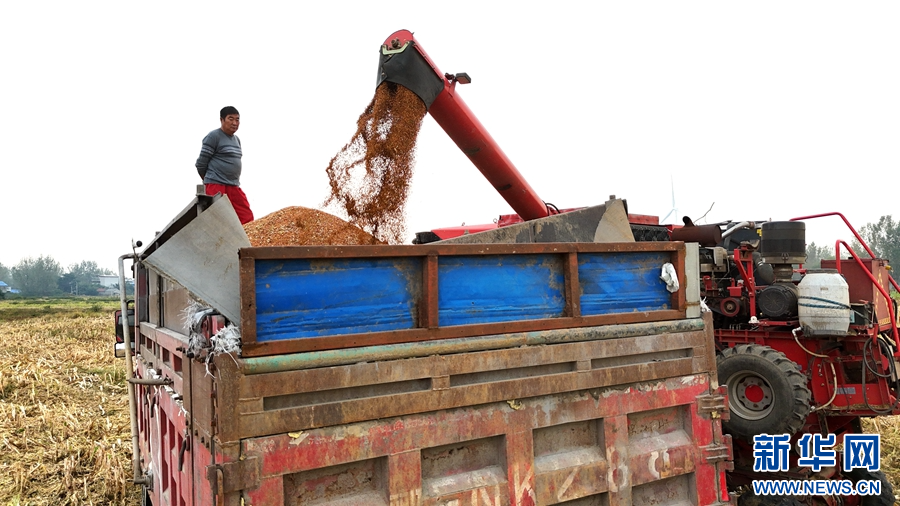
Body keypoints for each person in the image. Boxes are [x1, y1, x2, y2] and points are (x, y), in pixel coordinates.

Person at [196, 106, 254, 224]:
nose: (234, 123)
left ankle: (244, 242)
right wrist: (209, 181)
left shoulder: (236, 140)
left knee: (246, 217)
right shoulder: (214, 136)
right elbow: (201, 164)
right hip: (216, 185)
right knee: (218, 219)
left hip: (233, 185)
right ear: (221, 120)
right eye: (230, 119)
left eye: (237, 120)